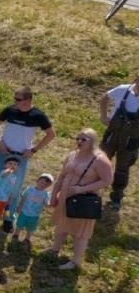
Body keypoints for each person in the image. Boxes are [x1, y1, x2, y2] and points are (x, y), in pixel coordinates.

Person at [0, 88, 55, 218]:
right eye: (15, 98)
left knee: (15, 188)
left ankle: (8, 217)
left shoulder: (38, 115)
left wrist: (34, 150)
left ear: (28, 100)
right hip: (3, 152)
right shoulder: (10, 110)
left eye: (18, 99)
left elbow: (51, 134)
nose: (15, 101)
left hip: (20, 156)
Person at [48, 131, 113, 269]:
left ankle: (75, 261)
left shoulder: (100, 159)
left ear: (92, 141)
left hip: (84, 200)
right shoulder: (72, 155)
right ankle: (55, 249)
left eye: (83, 139)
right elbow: (62, 175)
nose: (79, 141)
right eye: (77, 138)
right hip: (66, 196)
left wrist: (81, 189)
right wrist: (54, 194)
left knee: (81, 231)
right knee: (62, 223)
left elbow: (107, 180)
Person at [99, 72, 139, 211]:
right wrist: (104, 116)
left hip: (131, 139)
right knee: (100, 161)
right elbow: (105, 98)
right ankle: (93, 191)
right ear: (136, 80)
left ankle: (116, 199)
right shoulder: (123, 89)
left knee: (122, 169)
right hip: (113, 133)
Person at [11, 174, 55, 246]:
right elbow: (23, 199)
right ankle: (16, 234)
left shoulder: (45, 194)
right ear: (37, 181)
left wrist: (51, 204)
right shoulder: (29, 189)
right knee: (19, 224)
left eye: (47, 184)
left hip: (35, 214)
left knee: (31, 227)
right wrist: (19, 207)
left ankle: (27, 238)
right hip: (24, 211)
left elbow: (46, 203)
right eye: (42, 182)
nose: (43, 185)